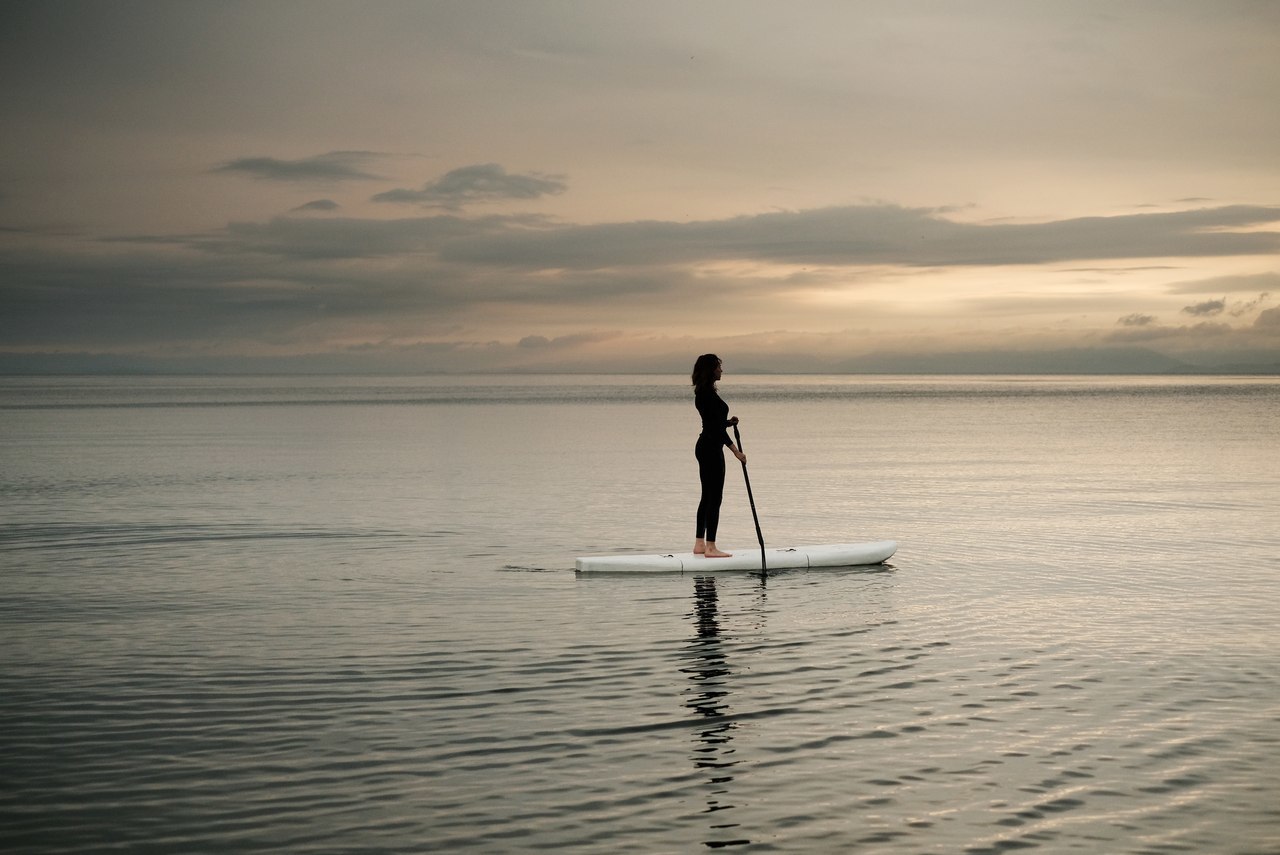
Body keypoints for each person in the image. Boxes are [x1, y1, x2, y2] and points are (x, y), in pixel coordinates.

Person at [690, 354, 746, 558]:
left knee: (707, 496)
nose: (721, 371)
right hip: (711, 449)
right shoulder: (707, 395)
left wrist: (728, 422)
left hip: (705, 446)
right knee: (715, 497)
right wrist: (736, 451)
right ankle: (711, 547)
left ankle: (700, 544)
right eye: (719, 367)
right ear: (711, 370)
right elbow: (714, 428)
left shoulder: (703, 393)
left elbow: (713, 423)